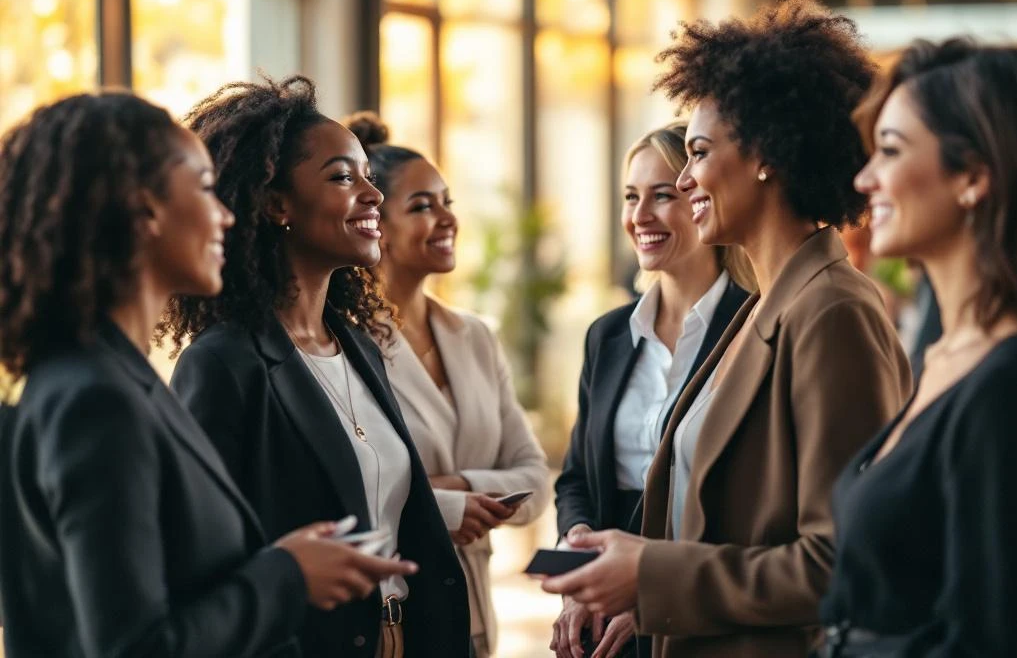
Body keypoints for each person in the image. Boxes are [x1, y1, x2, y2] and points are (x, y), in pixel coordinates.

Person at [542, 0, 912, 658]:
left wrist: (652, 574)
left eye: (699, 153)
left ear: (766, 153)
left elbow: (843, 561)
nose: (684, 182)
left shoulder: (833, 312)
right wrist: (645, 593)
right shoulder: (762, 308)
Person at [0, 92, 415, 658]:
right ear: (143, 210)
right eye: (202, 188)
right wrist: (287, 575)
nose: (225, 213)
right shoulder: (95, 399)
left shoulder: (118, 381)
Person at [161, 77, 470, 658]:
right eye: (342, 177)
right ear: (276, 204)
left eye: (368, 176)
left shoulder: (359, 346)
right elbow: (205, 567)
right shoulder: (222, 365)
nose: (372, 195)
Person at [818, 39, 1017, 656]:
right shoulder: (944, 356)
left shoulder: (1006, 385)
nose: (864, 179)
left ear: (973, 176)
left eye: (890, 151)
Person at [343, 111, 552, 658]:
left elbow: (534, 481)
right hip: (395, 612)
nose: (446, 219)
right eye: (422, 206)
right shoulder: (343, 344)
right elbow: (353, 496)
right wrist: (453, 504)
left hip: (477, 610)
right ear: (376, 224)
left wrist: (451, 482)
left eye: (447, 203)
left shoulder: (475, 336)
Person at [551, 123, 750, 658]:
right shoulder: (609, 335)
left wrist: (652, 592)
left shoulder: (753, 328)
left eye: (663, 195)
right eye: (631, 197)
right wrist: (579, 566)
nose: (639, 217)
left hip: (700, 611)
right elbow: (575, 479)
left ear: (702, 199)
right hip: (601, 620)